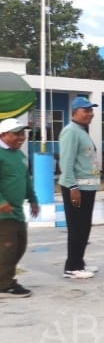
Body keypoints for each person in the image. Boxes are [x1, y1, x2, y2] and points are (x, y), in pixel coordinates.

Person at [58, 96, 101, 279]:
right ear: (75, 112)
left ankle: (79, 262)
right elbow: (66, 163)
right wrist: (72, 187)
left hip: (87, 189)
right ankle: (72, 267)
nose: (90, 114)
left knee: (84, 228)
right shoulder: (71, 132)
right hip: (77, 189)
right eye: (86, 110)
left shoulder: (81, 131)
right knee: (77, 228)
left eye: (91, 110)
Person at [0, 118, 39, 297]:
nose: (21, 137)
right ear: (3, 135)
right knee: (8, 247)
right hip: (3, 213)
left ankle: (5, 278)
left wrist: (33, 199)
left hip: (16, 210)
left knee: (20, 246)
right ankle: (6, 284)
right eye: (16, 134)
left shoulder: (20, 155)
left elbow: (26, 180)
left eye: (22, 134)